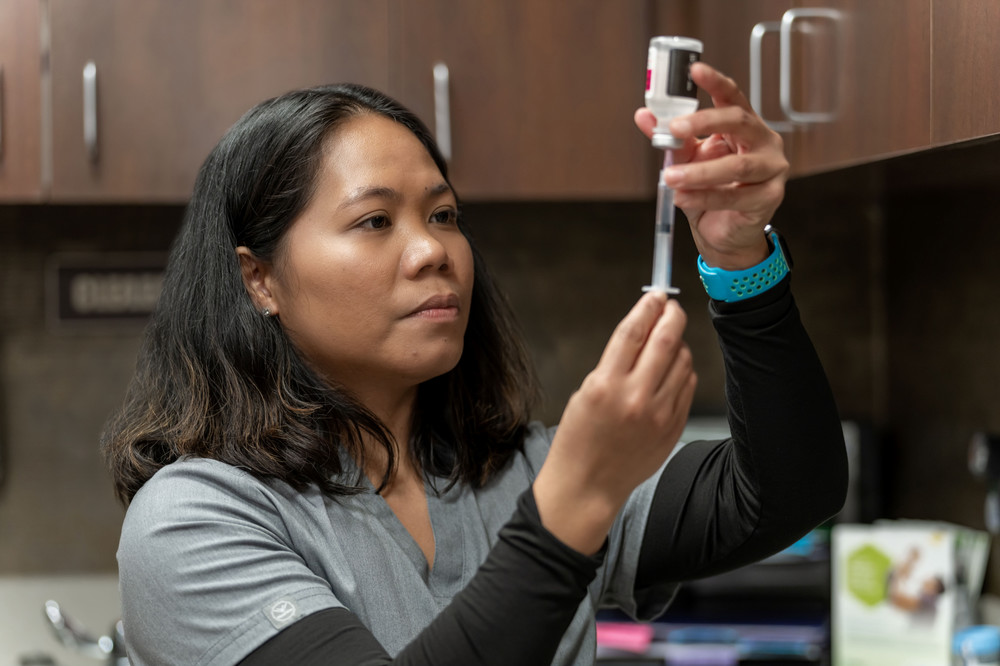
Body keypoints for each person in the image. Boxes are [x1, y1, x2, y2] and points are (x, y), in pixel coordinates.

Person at [101, 62, 848, 666]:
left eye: (444, 215)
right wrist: (571, 509)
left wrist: (739, 257)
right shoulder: (194, 521)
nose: (433, 251)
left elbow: (790, 490)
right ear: (258, 279)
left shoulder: (515, 472)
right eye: (374, 221)